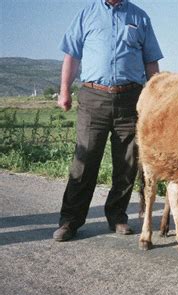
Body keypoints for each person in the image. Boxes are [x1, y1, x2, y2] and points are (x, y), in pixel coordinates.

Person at [53, 0, 163, 241]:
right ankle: (70, 221)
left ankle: (118, 216)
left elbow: (151, 63)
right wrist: (64, 91)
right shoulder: (86, 15)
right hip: (94, 97)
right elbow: (71, 56)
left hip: (131, 98)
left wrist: (156, 99)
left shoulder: (140, 17)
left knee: (127, 164)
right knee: (84, 160)